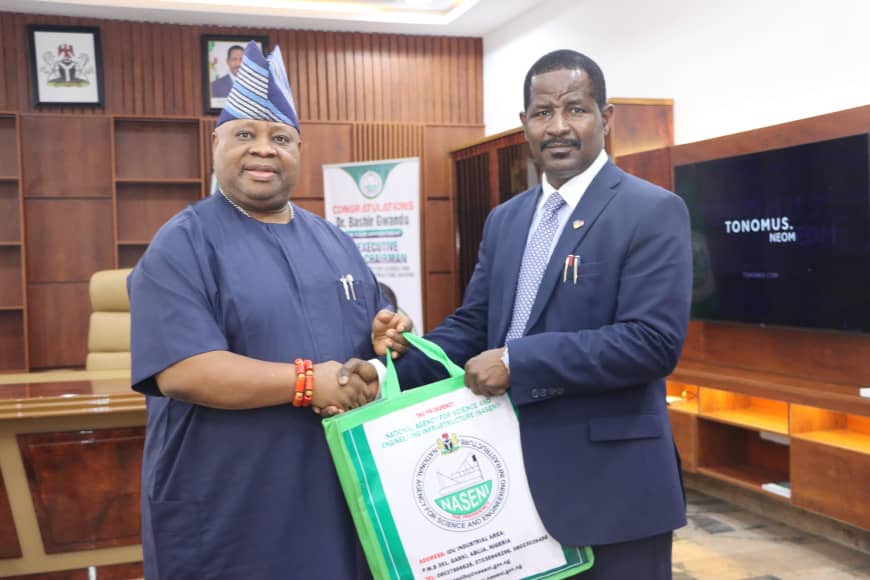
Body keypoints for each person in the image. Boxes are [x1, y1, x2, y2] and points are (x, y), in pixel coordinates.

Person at [386, 49, 692, 579]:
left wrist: (517, 361)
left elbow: (651, 343)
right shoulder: (506, 219)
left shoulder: (652, 210)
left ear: (606, 118)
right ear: (524, 123)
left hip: (612, 490)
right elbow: (474, 324)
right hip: (510, 489)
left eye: (575, 109)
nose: (559, 127)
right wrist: (389, 369)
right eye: (543, 113)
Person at [129, 41, 406, 579]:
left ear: (299, 149)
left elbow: (371, 339)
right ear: (215, 146)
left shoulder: (335, 240)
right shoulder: (182, 243)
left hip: (336, 496)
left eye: (280, 137)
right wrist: (307, 384)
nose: (264, 149)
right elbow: (185, 369)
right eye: (245, 135)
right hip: (231, 506)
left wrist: (382, 343)